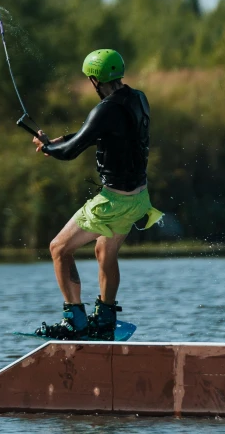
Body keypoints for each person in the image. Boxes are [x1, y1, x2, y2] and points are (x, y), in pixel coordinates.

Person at [31, 49, 164, 340]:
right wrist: (56, 141)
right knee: (106, 251)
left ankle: (74, 320)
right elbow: (91, 135)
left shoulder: (105, 110)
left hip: (113, 202)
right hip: (139, 199)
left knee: (58, 248)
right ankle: (104, 319)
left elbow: (71, 151)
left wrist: (50, 148)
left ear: (94, 80)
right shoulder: (139, 98)